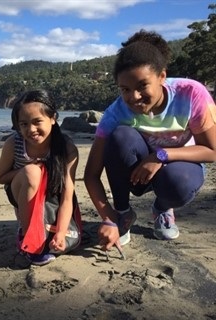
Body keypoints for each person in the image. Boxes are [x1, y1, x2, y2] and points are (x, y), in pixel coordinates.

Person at [84, 30, 216, 253]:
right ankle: (123, 215)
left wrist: (161, 155)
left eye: (142, 86)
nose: (134, 97)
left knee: (179, 182)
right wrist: (108, 217)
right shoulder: (116, 113)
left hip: (180, 168)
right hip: (137, 173)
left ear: (162, 77)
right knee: (120, 137)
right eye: (125, 89)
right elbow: (91, 174)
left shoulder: (191, 94)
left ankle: (163, 208)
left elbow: (212, 151)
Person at [0, 89, 80, 266]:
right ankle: (28, 237)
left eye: (37, 122)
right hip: (21, 190)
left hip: (53, 196)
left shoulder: (67, 148)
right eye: (24, 124)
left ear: (53, 118)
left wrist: (60, 233)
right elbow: (2, 177)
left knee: (60, 235)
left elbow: (67, 196)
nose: (31, 129)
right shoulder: (14, 143)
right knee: (32, 172)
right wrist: (35, 168)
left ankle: (49, 230)